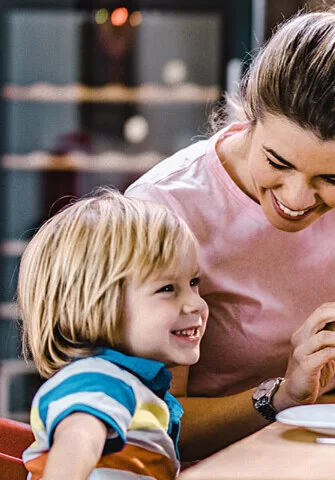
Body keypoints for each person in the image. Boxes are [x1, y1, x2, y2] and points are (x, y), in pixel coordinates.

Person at [124, 0, 335, 460]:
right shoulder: (166, 208)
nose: (298, 198)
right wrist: (281, 396)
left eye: (334, 180)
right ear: (250, 114)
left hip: (324, 439)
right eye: (277, 162)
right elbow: (153, 425)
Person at [17, 190, 206, 479]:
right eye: (168, 288)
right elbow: (79, 437)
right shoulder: (99, 381)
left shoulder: (126, 381)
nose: (197, 303)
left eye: (193, 282)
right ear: (96, 303)